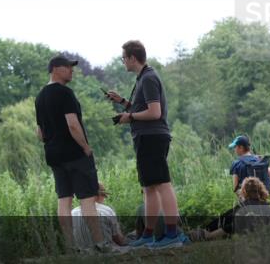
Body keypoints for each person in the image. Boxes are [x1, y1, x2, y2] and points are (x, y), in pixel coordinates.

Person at [107, 40, 188, 248]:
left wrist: (130, 117)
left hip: (152, 137)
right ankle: (149, 234)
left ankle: (172, 234)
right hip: (146, 137)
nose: (123, 62)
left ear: (132, 58)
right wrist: (123, 102)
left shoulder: (149, 78)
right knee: (149, 187)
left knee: (162, 184)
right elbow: (142, 107)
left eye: (124, 58)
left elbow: (154, 112)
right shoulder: (143, 78)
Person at [35, 55, 108, 251]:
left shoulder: (40, 97)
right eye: (68, 67)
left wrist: (53, 141)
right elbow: (73, 125)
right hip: (74, 153)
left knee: (64, 199)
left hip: (53, 155)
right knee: (87, 198)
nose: (72, 70)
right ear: (56, 69)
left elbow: (40, 133)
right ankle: (99, 243)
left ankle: (70, 246)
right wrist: (85, 147)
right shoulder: (65, 93)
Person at [71, 183, 128, 248]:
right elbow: (120, 241)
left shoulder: (72, 213)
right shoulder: (106, 210)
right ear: (98, 195)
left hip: (82, 253)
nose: (104, 198)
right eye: (104, 195)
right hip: (108, 252)